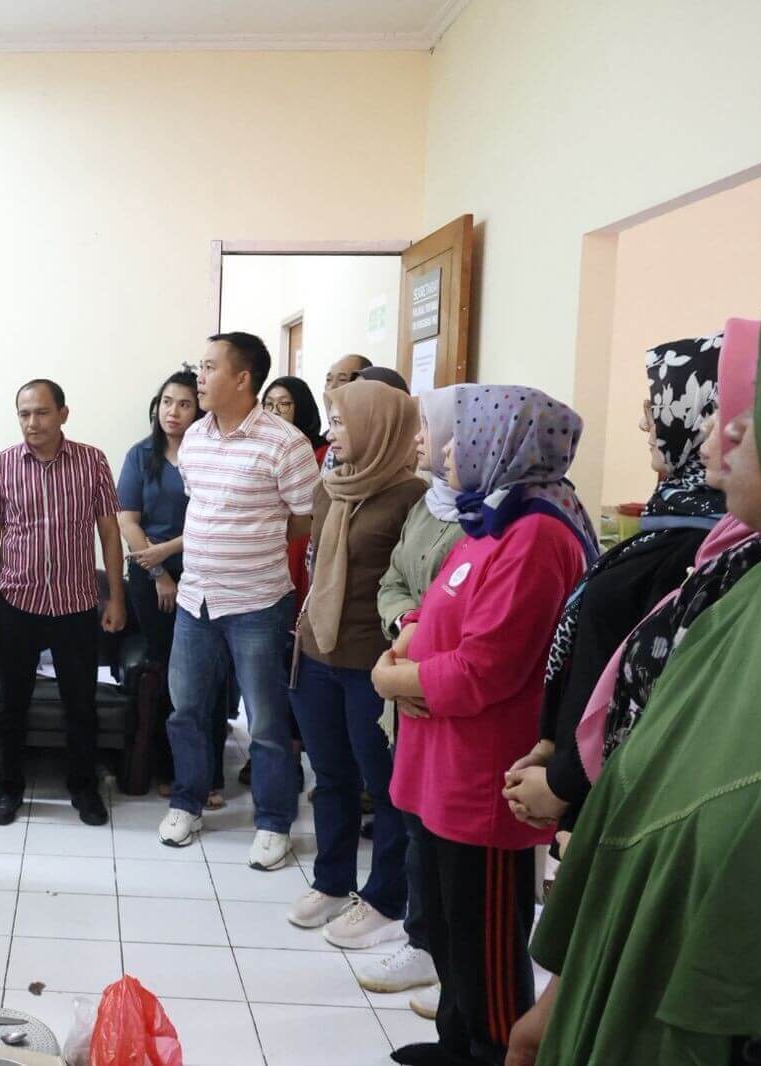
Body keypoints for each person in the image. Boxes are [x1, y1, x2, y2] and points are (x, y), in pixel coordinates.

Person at [509, 273, 761, 1066]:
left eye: (743, 417)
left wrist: (567, 779)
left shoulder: (740, 570)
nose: (716, 442)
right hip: (627, 943)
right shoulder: (741, 574)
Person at [373, 385, 597, 1066]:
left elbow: (485, 669)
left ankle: (489, 1049)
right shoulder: (493, 517)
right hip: (444, 763)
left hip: (482, 776)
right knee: (448, 928)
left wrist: (395, 679)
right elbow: (438, 606)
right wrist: (407, 638)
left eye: (456, 435)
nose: (444, 448)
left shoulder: (536, 535)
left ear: (499, 444)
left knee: (485, 941)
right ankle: (456, 1040)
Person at [505, 332, 723, 832]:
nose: (645, 422)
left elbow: (649, 695)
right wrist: (552, 744)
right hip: (579, 780)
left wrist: (562, 785)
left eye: (657, 405)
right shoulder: (669, 523)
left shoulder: (707, 549)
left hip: (613, 800)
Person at [156, 331, 318, 871]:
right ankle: (187, 803)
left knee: (267, 723)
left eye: (209, 368)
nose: (198, 377)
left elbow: (305, 517)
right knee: (186, 710)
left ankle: (274, 823)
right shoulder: (195, 438)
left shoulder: (285, 443)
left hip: (257, 602)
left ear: (243, 378)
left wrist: (253, 541)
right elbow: (200, 507)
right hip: (195, 600)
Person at [287, 380, 425, 951]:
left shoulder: (412, 497)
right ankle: (332, 881)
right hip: (316, 654)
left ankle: (386, 897)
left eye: (342, 422)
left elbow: (412, 584)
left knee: (385, 786)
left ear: (377, 428)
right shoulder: (330, 485)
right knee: (331, 777)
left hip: (372, 663)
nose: (332, 432)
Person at [357, 386, 466, 1008]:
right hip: (409, 677)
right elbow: (394, 578)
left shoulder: (504, 523)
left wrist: (420, 642)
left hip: (443, 689)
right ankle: (424, 940)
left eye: (430, 427)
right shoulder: (431, 502)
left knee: (452, 836)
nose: (420, 439)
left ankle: (453, 959)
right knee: (420, 821)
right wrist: (407, 624)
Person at [0, 379, 125, 827]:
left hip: (75, 604)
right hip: (17, 603)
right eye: (24, 414)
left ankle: (83, 787)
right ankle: (8, 788)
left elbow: (110, 533)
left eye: (41, 412)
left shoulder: (92, 461)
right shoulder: (1, 465)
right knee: (11, 705)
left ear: (63, 414)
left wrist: (116, 598)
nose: (32, 422)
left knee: (80, 705)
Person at [118, 369, 229, 809]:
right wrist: (159, 572)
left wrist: (168, 554)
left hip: (205, 570)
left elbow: (213, 518)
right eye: (167, 402)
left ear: (199, 410)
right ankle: (171, 769)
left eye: (184, 404)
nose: (173, 412)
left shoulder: (211, 454)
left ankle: (211, 775)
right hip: (152, 579)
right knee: (171, 674)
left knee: (210, 674)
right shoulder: (141, 454)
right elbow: (128, 521)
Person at [258, 373, 329, 792]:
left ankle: (299, 749)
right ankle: (275, 753)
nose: (274, 412)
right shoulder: (261, 448)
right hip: (272, 562)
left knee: (299, 665)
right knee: (272, 666)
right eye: (268, 404)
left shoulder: (321, 453)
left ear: (301, 407)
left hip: (309, 565)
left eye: (283, 404)